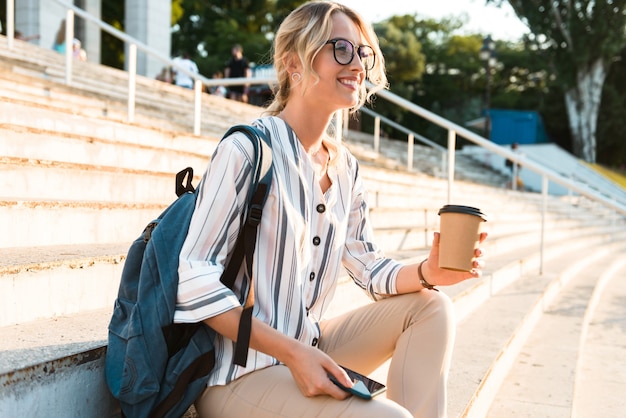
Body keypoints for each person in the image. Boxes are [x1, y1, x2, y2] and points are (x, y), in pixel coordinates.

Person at [174, 2, 487, 417]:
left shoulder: (345, 169)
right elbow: (193, 280)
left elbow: (369, 268)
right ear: (293, 63)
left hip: (309, 348)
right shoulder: (247, 150)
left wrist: (429, 272)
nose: (357, 64)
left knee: (432, 307)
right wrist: (292, 354)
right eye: (341, 49)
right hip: (237, 372)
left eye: (362, 52)